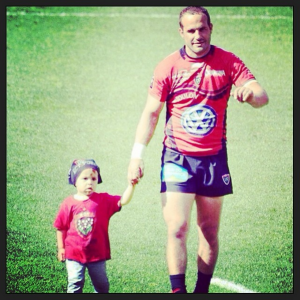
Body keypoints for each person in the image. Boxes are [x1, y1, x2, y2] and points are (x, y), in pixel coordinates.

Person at [127, 6, 268, 293]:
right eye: (190, 30)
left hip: (214, 159)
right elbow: (151, 113)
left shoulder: (228, 62)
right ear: (181, 32)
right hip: (177, 157)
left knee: (209, 231)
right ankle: (177, 291)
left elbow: (262, 97)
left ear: (210, 28)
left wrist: (250, 94)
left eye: (202, 28)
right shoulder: (167, 66)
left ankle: (201, 292)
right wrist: (136, 155)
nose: (197, 35)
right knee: (177, 226)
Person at [53, 158, 135, 293]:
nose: (89, 182)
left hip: (97, 255)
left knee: (102, 285)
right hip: (73, 254)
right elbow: (61, 227)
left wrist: (131, 186)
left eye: (93, 179)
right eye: (84, 178)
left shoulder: (103, 200)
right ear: (75, 181)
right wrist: (61, 248)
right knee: (75, 283)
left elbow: (122, 201)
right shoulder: (68, 203)